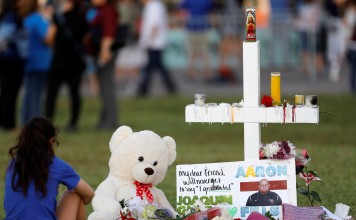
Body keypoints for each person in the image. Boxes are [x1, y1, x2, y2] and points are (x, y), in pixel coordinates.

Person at [4, 117, 95, 219]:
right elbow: (89, 193)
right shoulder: (56, 164)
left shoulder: (13, 164)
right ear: (51, 141)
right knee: (75, 195)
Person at [45, 0, 89, 132]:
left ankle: (49, 122)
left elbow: (49, 38)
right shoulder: (82, 18)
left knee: (52, 93)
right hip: (75, 62)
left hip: (59, 60)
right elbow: (86, 39)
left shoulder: (58, 18)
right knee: (74, 93)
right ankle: (73, 123)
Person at [17, 0, 53, 125]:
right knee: (36, 95)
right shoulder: (38, 20)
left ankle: (26, 120)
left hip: (29, 60)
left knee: (28, 93)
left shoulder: (25, 20)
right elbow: (47, 39)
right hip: (41, 61)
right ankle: (35, 122)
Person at [89, 0, 119, 130]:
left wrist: (105, 50)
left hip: (104, 51)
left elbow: (108, 32)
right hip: (100, 51)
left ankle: (110, 121)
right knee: (104, 87)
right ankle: (105, 119)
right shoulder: (101, 10)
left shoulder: (108, 11)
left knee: (107, 87)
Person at [137, 0, 177, 96]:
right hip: (154, 42)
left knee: (151, 67)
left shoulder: (154, 6)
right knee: (156, 66)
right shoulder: (154, 5)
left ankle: (143, 90)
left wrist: (148, 40)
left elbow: (154, 25)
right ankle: (170, 87)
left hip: (154, 42)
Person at [0, 0, 25, 132]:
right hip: (12, 60)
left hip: (6, 59)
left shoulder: (4, 16)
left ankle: (6, 122)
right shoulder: (12, 17)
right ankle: (9, 124)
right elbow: (5, 35)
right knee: (10, 93)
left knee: (5, 92)